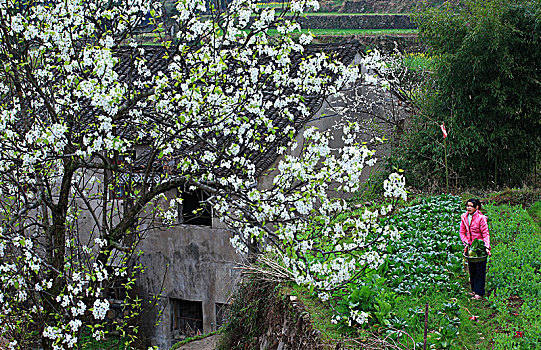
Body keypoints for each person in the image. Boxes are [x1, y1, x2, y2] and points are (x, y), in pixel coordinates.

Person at [459, 198, 491, 300]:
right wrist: (466, 242)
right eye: (467, 206)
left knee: (480, 270)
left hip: (480, 248)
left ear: (476, 207)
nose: (468, 208)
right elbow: (462, 232)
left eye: (471, 206)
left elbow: (485, 234)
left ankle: (479, 292)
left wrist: (486, 246)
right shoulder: (464, 217)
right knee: (472, 270)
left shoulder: (481, 218)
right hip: (470, 248)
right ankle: (474, 290)